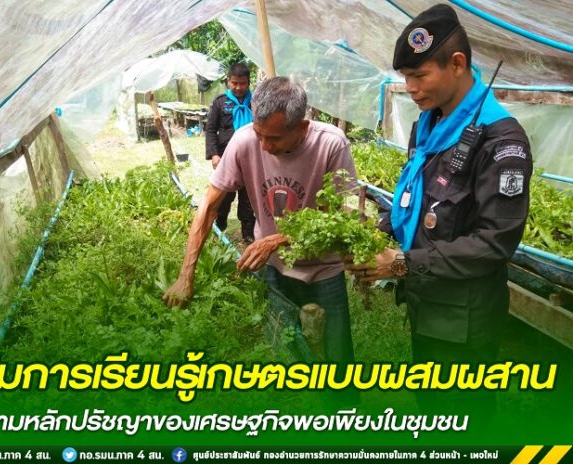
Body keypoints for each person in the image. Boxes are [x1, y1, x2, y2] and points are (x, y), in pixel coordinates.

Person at [346, 4, 532, 418]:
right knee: (431, 405)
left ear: (457, 64)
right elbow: (419, 199)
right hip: (426, 302)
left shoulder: (500, 140)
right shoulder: (428, 125)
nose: (410, 88)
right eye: (405, 77)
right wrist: (378, 232)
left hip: (464, 319)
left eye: (419, 75)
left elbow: (494, 243)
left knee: (463, 417)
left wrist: (400, 263)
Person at [164, 77, 358, 385]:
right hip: (274, 270)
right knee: (282, 356)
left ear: (302, 127)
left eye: (275, 138)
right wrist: (185, 276)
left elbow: (345, 217)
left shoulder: (331, 144)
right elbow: (208, 207)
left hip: (323, 270)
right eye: (260, 134)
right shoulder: (244, 141)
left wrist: (276, 240)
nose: (265, 146)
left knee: (338, 367)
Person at [206, 63, 256, 243]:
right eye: (234, 83)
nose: (238, 87)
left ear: (248, 82)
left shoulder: (257, 101)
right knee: (224, 196)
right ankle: (220, 226)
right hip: (226, 158)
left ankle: (248, 233)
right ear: (228, 81)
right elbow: (211, 130)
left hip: (251, 158)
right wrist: (214, 155)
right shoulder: (220, 102)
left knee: (249, 197)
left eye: (242, 83)